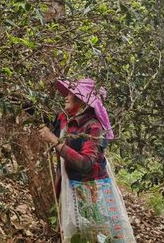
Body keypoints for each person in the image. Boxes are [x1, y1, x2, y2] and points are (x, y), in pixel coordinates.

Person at [39, 78, 135, 243]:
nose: (66, 97)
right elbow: (41, 117)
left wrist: (54, 141)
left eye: (71, 94)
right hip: (71, 185)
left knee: (99, 235)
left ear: (82, 100)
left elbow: (85, 163)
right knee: (78, 234)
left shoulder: (94, 126)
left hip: (93, 188)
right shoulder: (64, 119)